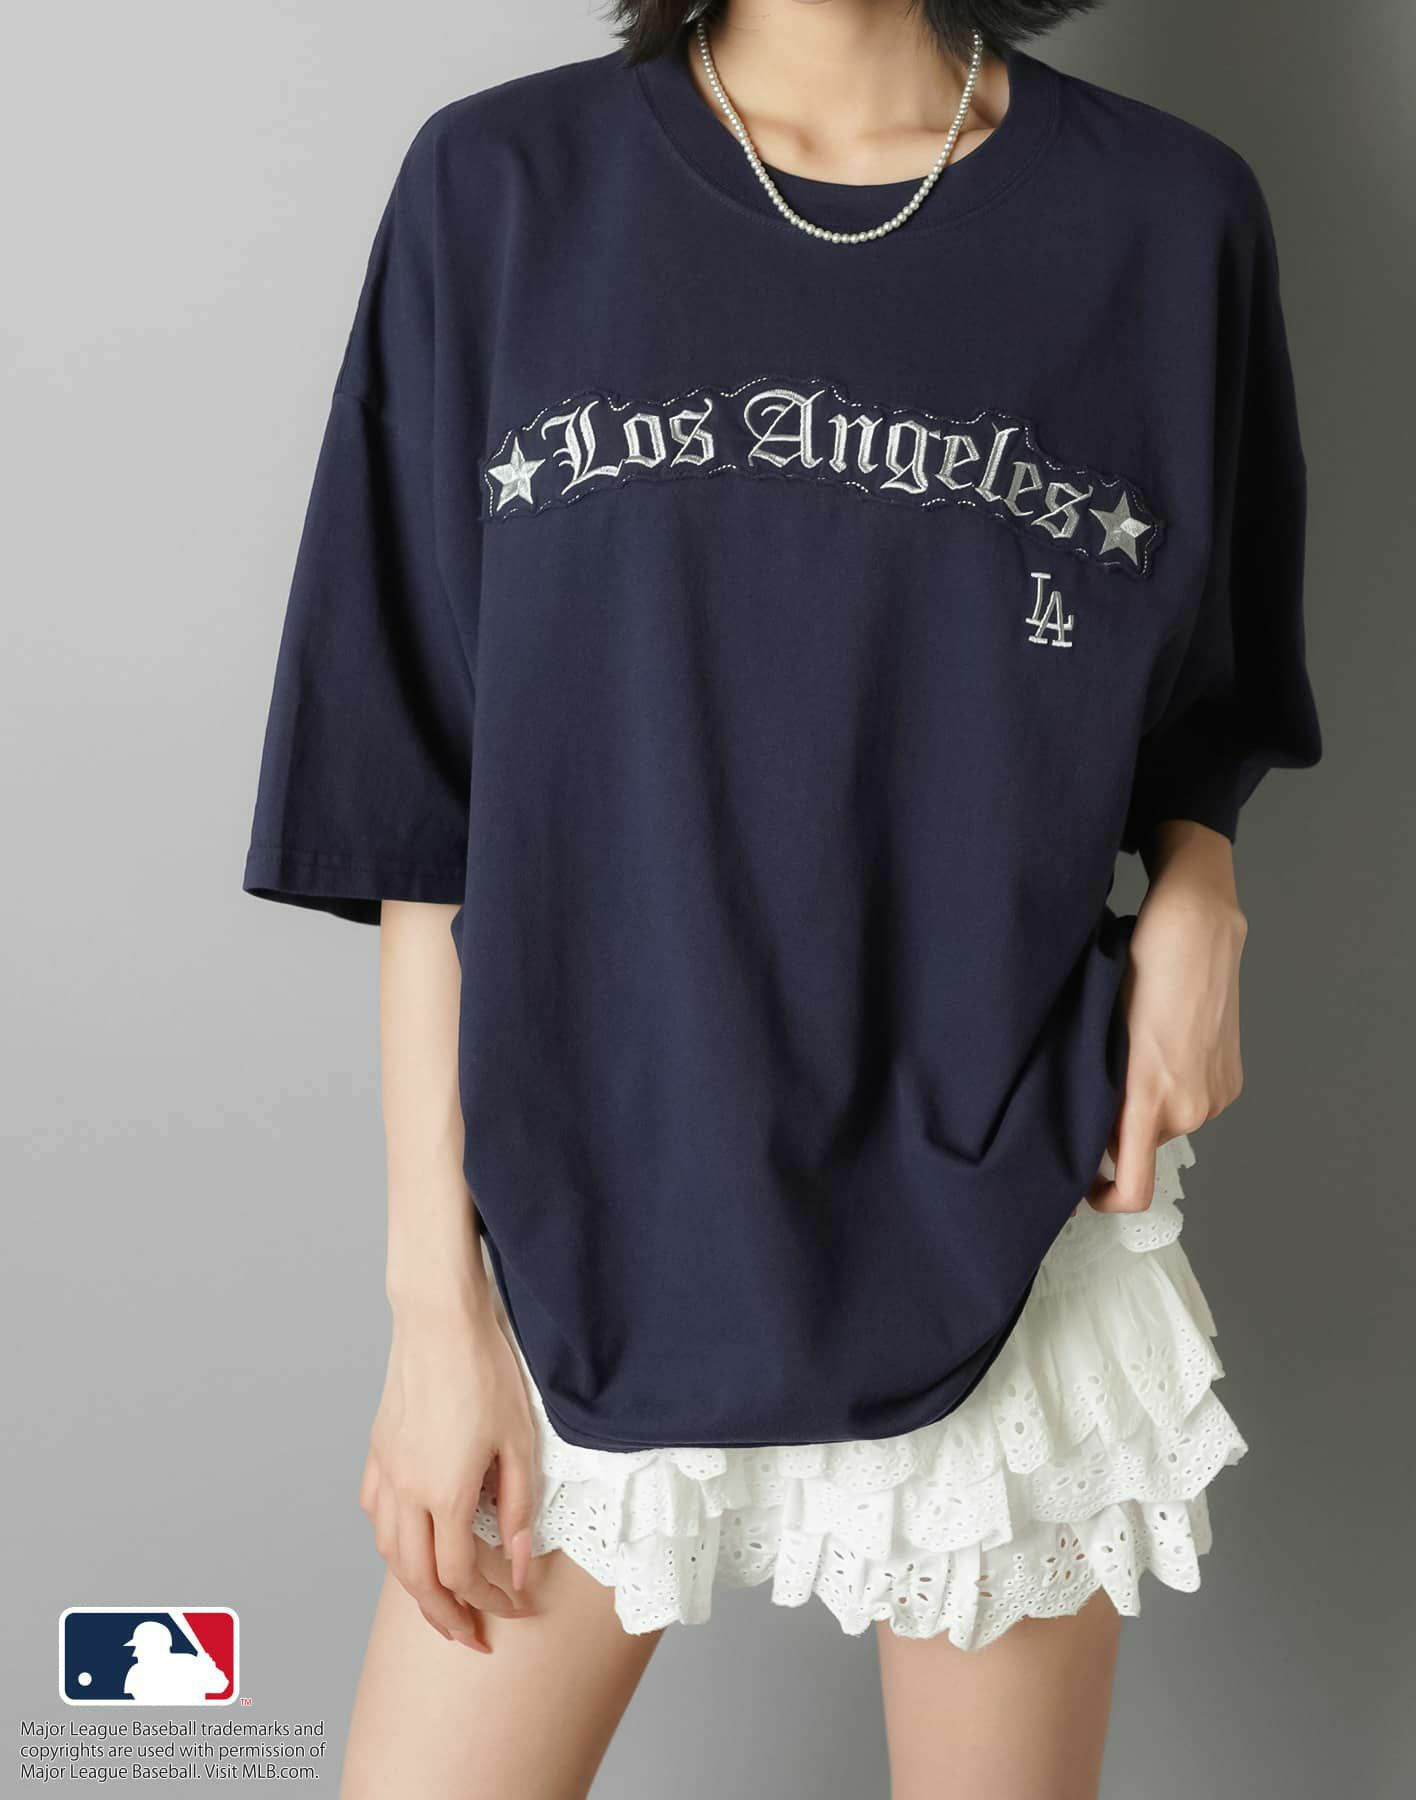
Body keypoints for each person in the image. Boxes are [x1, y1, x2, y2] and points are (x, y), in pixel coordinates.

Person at [242, 0, 1321, 1793]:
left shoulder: (1166, 218)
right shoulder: (501, 191)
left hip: (1005, 1204)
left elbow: (1206, 697)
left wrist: (1206, 892)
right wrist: (436, 1319)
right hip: (589, 1222)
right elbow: (419, 806)